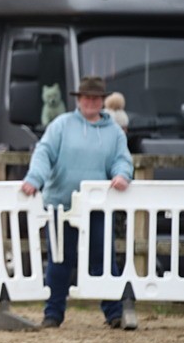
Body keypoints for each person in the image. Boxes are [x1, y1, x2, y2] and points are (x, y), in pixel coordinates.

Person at [20, 76, 133, 328]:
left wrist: (122, 174)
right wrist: (34, 178)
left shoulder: (114, 131)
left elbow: (122, 159)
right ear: (79, 99)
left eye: (95, 98)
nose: (91, 102)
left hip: (97, 206)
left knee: (103, 260)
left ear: (102, 101)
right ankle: (53, 314)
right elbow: (44, 153)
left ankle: (114, 313)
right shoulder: (61, 124)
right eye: (86, 97)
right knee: (60, 260)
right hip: (61, 204)